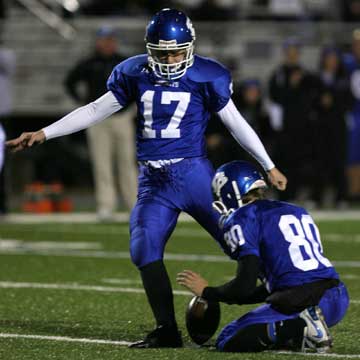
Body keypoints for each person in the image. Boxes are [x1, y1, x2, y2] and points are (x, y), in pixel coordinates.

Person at [6, 9, 287, 348]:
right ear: (149, 49)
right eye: (162, 52)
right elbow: (96, 109)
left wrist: (267, 164)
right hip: (154, 180)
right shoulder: (134, 71)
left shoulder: (206, 75)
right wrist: (45, 132)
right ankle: (166, 330)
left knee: (245, 244)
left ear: (190, 46)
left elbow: (235, 122)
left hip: (194, 174)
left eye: (176, 51)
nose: (169, 60)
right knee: (144, 248)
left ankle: (291, 310)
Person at [177, 160, 349, 353]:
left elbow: (245, 284)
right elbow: (281, 283)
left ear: (229, 192)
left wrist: (208, 292)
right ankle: (299, 331)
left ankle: (300, 327)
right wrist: (233, 298)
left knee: (227, 338)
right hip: (336, 298)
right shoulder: (297, 210)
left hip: (302, 301)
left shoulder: (243, 217)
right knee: (273, 316)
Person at [64, 26, 138, 219]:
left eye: (111, 39)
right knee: (102, 163)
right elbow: (70, 82)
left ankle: (134, 204)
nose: (107, 43)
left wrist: (131, 107)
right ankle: (106, 205)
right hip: (98, 120)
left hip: (122, 117)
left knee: (127, 162)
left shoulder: (123, 62)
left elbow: (138, 85)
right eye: (104, 39)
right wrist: (84, 103)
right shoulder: (89, 63)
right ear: (98, 41)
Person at [268, 39, 318, 202]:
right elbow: (275, 97)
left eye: (294, 50)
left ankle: (300, 193)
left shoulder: (306, 74)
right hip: (285, 128)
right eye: (289, 51)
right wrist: (291, 86)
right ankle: (284, 194)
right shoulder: (279, 74)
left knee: (302, 163)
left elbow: (311, 98)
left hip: (303, 127)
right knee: (284, 161)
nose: (292, 54)